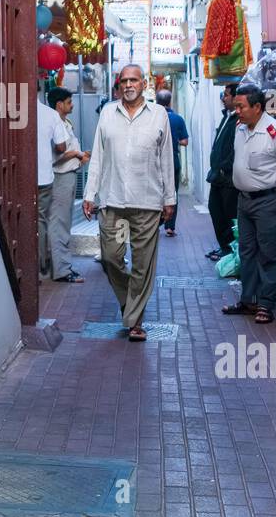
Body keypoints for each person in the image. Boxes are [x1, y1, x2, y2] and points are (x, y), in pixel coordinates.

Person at [83, 63, 175, 342]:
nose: (128, 85)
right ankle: (129, 303)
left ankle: (134, 320)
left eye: (134, 80)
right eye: (124, 80)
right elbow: (98, 156)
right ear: (118, 84)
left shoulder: (158, 115)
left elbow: (166, 159)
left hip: (147, 204)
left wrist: (169, 198)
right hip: (114, 204)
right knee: (111, 257)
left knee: (142, 264)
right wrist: (89, 194)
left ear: (144, 84)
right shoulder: (108, 113)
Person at [222, 84, 276, 325]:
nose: (237, 111)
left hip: (268, 201)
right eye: (236, 107)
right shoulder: (240, 128)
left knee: (269, 252)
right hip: (244, 201)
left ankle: (266, 303)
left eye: (241, 106)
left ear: (257, 107)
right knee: (246, 251)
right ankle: (248, 299)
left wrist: (275, 195)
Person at [47, 87, 90, 283]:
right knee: (59, 224)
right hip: (61, 178)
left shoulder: (65, 123)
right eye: (69, 102)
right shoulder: (54, 123)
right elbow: (54, 157)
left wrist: (80, 158)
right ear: (59, 104)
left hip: (70, 175)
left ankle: (61, 266)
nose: (72, 105)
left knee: (63, 223)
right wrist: (75, 154)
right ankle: (61, 270)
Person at [205, 83, 239, 261]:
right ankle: (224, 248)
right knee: (215, 210)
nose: (223, 98)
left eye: (226, 95)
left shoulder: (238, 120)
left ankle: (230, 251)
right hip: (217, 177)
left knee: (228, 216)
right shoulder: (227, 116)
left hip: (228, 180)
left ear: (235, 97)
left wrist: (226, 168)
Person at [37, 94, 67, 280]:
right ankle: (40, 266)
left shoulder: (12, 110)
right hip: (43, 176)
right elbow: (61, 146)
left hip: (18, 178)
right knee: (40, 220)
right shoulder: (50, 114)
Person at [155, 89, 189, 237]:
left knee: (155, 193)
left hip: (154, 163)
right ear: (170, 101)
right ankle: (170, 227)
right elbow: (185, 141)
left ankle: (153, 224)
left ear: (156, 102)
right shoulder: (178, 119)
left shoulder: (152, 118)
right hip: (172, 161)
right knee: (172, 193)